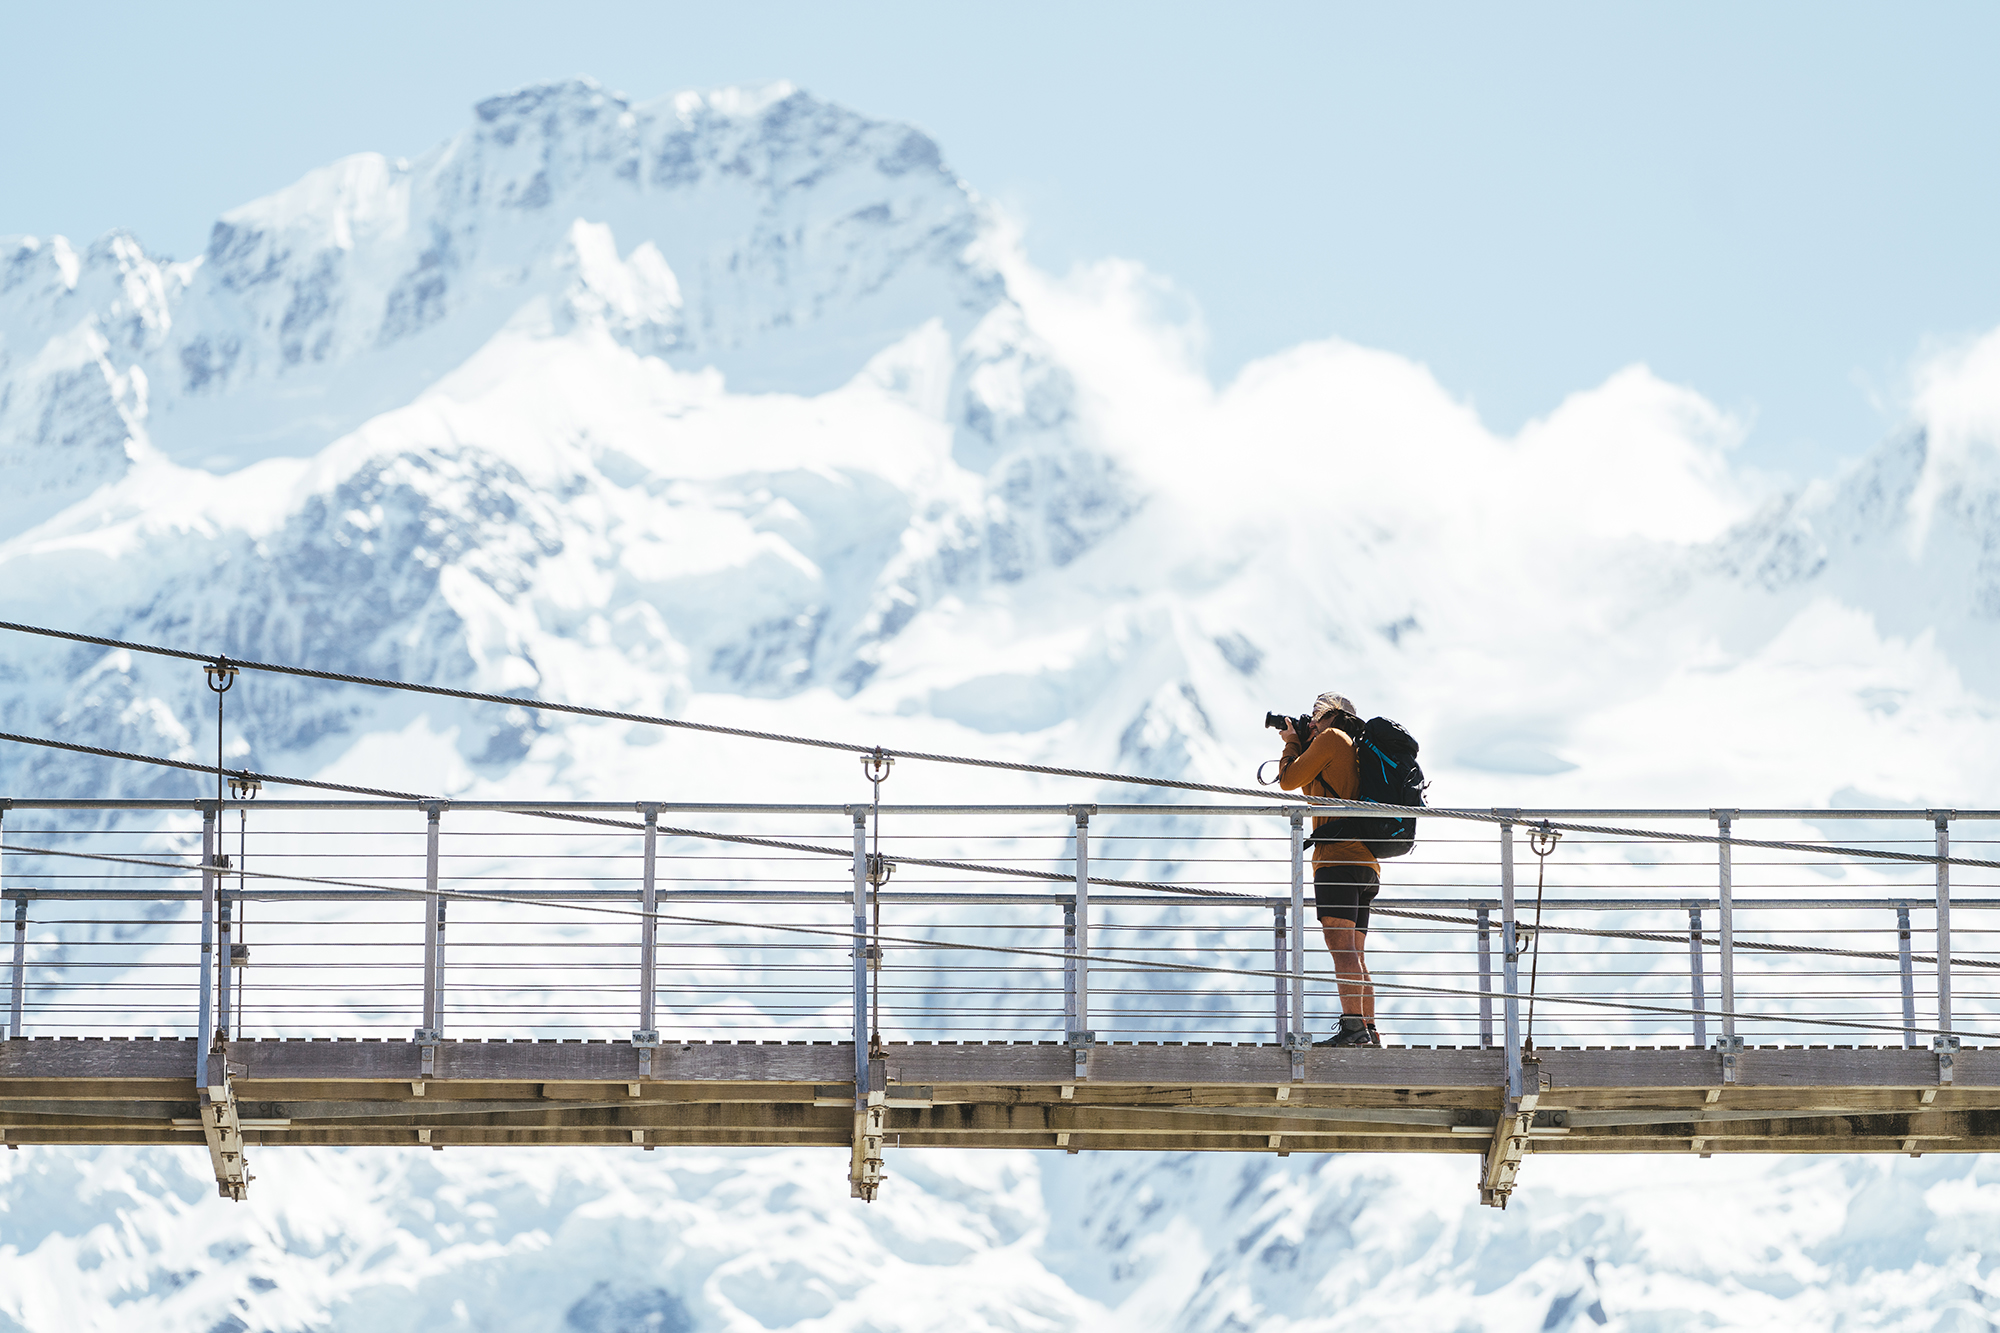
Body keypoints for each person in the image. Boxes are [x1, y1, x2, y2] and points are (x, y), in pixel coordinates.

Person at [1276, 691, 1381, 1047]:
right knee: (1356, 951)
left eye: (1315, 716)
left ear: (1330, 717)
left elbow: (1289, 781)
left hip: (1337, 860)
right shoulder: (1351, 746)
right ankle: (1367, 1029)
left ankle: (1354, 1029)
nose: (1311, 722)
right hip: (1365, 862)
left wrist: (1292, 745)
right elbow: (1313, 789)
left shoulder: (1331, 739)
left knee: (1342, 949)